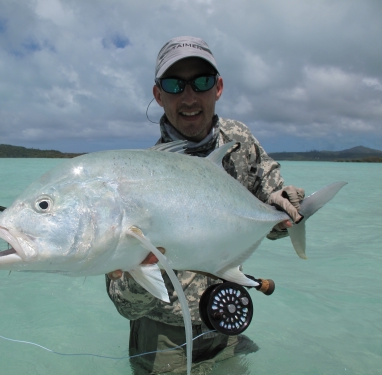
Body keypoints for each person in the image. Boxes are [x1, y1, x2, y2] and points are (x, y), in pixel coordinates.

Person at [105, 36, 304, 374]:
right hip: (163, 338)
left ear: (219, 87)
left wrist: (286, 210)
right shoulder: (137, 177)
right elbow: (126, 306)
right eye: (174, 84)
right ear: (158, 94)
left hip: (227, 320)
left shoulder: (240, 142)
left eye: (202, 81)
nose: (189, 97)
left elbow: (273, 219)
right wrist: (138, 271)